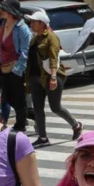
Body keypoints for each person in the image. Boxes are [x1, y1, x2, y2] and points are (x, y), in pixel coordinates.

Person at [24, 9, 82, 147]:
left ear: (42, 23)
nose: (31, 24)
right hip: (35, 77)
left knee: (55, 107)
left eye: (33, 22)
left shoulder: (51, 37)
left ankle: (76, 125)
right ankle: (43, 137)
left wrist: (54, 77)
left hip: (50, 76)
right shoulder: (34, 39)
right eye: (30, 22)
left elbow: (54, 58)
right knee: (37, 108)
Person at [0, 0, 32, 132]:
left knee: (18, 97)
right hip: (4, 67)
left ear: (10, 11)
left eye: (3, 9)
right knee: (8, 97)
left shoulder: (21, 28)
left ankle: (21, 122)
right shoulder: (4, 24)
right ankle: (27, 115)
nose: (0, 10)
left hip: (16, 68)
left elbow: (25, 51)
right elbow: (1, 46)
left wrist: (18, 70)